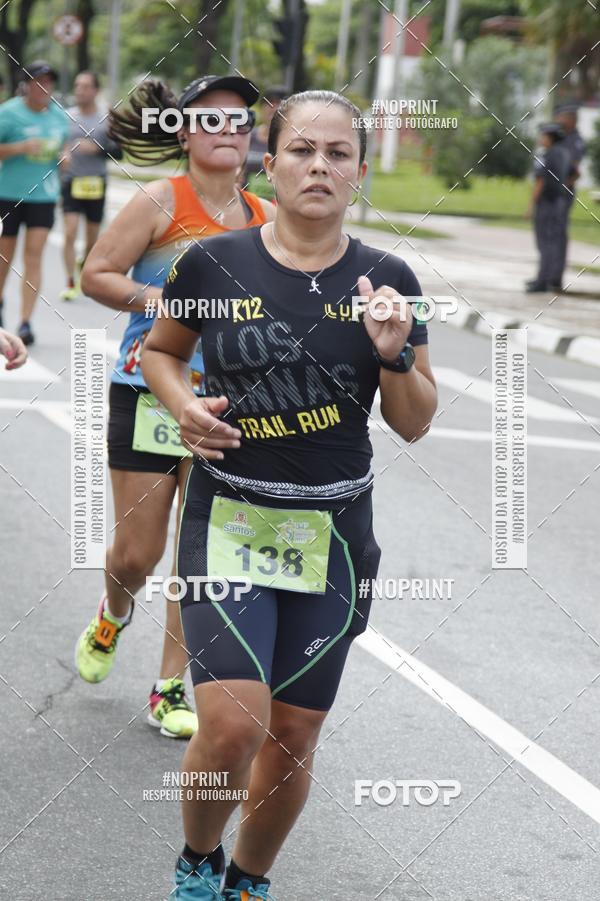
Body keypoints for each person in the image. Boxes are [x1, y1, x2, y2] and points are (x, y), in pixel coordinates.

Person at [141, 89, 437, 900]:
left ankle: (248, 880)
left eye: (337, 154)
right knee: (234, 723)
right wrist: (183, 407)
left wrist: (396, 355)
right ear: (271, 166)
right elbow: (162, 353)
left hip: (336, 532)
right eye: (302, 151)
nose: (319, 166)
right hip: (230, 512)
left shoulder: (388, 278)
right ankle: (199, 858)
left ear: (360, 174)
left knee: (296, 734)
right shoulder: (215, 262)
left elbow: (413, 423)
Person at [74, 74, 274, 741]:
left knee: (202, 552)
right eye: (209, 120)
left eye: (239, 119)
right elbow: (96, 274)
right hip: (147, 390)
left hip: (226, 407)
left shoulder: (264, 219)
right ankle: (113, 609)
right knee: (139, 551)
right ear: (183, 133)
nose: (227, 130)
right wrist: (163, 304)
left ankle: (168, 687)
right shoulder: (160, 202)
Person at [0, 61, 70, 341]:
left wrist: (66, 156)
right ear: (26, 85)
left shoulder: (58, 117)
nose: (44, 87)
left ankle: (26, 322)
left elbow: (63, 146)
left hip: (43, 197)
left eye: (48, 82)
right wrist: (20, 147)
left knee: (34, 256)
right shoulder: (8, 113)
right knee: (5, 257)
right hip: (8, 196)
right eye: (38, 82)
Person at [60, 70, 123, 301]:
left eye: (86, 86)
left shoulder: (107, 118)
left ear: (95, 90)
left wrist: (97, 148)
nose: (80, 90)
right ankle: (69, 281)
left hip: (96, 183)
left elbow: (120, 152)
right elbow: (57, 144)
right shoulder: (65, 117)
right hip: (71, 181)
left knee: (91, 239)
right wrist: (62, 154)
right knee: (69, 232)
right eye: (77, 86)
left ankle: (83, 266)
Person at [525, 123, 571, 293]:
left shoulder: (544, 155)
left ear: (549, 138)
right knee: (554, 241)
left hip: (546, 202)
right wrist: (562, 185)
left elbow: (540, 181)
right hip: (559, 201)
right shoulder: (565, 154)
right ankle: (551, 279)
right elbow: (575, 173)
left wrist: (531, 206)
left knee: (544, 242)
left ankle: (542, 281)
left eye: (543, 136)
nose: (540, 139)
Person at [554, 102, 587, 291]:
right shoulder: (559, 137)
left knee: (557, 233)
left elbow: (574, 169)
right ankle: (547, 276)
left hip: (562, 192)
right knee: (549, 234)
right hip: (552, 191)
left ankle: (555, 278)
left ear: (571, 119)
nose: (558, 120)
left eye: (561, 117)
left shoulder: (574, 140)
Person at [243, 86, 287, 198]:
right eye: (269, 103)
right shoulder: (246, 137)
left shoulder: (294, 142)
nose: (274, 108)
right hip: (247, 205)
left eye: (279, 104)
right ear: (262, 108)